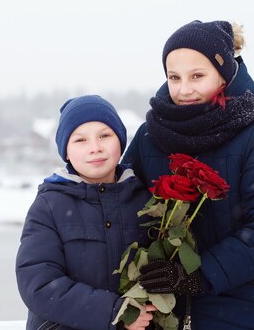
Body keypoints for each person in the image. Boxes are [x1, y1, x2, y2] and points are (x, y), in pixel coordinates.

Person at [122, 20, 254, 329]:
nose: (184, 89)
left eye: (197, 76)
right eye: (174, 77)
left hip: (244, 309)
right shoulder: (149, 135)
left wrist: (198, 274)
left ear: (223, 75)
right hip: (160, 312)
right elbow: (120, 208)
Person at [16, 95, 155, 330]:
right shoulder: (50, 205)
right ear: (66, 152)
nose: (95, 147)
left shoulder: (144, 199)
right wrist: (113, 311)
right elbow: (38, 284)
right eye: (80, 140)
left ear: (120, 141)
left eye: (105, 135)